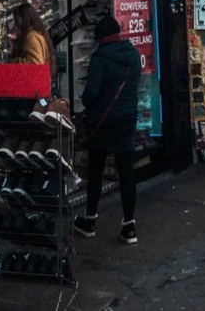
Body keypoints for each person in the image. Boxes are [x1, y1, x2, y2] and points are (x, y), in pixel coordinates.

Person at [73, 15, 141, 244]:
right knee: (126, 173)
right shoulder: (132, 54)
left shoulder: (100, 59)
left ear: (101, 37)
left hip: (103, 123)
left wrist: (86, 103)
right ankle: (129, 226)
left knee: (96, 172)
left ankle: (90, 219)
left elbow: (91, 95)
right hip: (127, 119)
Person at [8, 3, 56, 77]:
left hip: (34, 85)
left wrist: (14, 61)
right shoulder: (37, 34)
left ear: (24, 18)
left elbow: (34, 65)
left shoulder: (32, 37)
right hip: (41, 83)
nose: (16, 23)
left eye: (17, 19)